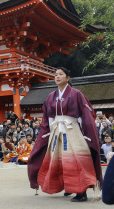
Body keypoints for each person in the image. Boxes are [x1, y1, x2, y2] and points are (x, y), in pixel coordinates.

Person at [28, 67, 102, 202]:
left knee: (76, 160)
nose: (57, 77)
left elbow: (85, 114)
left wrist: (86, 133)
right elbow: (48, 116)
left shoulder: (76, 93)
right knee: (59, 160)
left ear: (68, 78)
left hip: (72, 130)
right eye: (55, 75)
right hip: (56, 131)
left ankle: (81, 192)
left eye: (60, 74)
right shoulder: (51, 96)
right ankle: (68, 186)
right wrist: (47, 133)